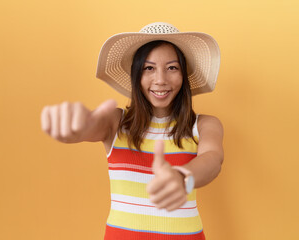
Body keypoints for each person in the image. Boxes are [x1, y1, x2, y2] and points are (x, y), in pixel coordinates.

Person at [41, 22, 223, 240]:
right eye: (149, 68)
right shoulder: (115, 122)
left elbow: (213, 161)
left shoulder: (204, 125)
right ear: (136, 75)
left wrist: (184, 178)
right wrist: (75, 127)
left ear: (184, 75)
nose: (160, 80)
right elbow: (89, 126)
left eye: (172, 67)